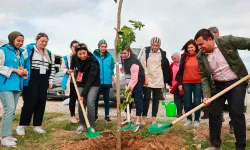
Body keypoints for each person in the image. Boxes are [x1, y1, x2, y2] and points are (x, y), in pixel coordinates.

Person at [195, 28, 250, 150]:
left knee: (236, 112)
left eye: (201, 44)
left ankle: (240, 147)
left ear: (210, 39)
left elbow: (248, 43)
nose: (199, 47)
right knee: (214, 113)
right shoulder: (200, 56)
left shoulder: (227, 41)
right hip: (218, 85)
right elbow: (204, 77)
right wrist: (207, 95)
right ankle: (215, 145)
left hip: (237, 82)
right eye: (197, 45)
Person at [16, 33, 55, 136]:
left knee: (41, 102)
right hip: (31, 79)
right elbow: (20, 62)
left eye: (46, 41)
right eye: (42, 41)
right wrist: (23, 72)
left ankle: (37, 125)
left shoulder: (49, 53)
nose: (44, 43)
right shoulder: (29, 50)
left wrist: (50, 81)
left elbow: (52, 69)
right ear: (37, 40)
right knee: (30, 101)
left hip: (44, 80)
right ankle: (22, 125)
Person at [0, 31, 27, 147]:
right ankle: (5, 137)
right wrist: (15, 70)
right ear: (12, 39)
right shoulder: (3, 50)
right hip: (5, 85)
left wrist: (23, 72)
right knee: (9, 109)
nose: (20, 43)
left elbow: (20, 67)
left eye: (22, 41)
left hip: (17, 85)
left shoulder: (20, 53)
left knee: (12, 111)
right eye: (18, 41)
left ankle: (7, 134)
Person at [207, 26, 234, 134]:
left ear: (217, 33)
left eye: (211, 36)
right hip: (218, 83)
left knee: (235, 108)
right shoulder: (207, 51)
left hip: (234, 82)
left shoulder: (226, 43)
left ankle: (233, 126)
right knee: (214, 111)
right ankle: (215, 142)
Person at [69, 43, 100, 134]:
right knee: (81, 103)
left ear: (87, 51)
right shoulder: (74, 56)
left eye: (84, 53)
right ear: (77, 53)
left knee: (90, 103)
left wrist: (82, 94)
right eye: (80, 54)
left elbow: (91, 79)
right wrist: (71, 69)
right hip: (81, 81)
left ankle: (91, 125)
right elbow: (73, 64)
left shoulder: (93, 61)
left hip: (93, 82)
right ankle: (82, 124)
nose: (82, 56)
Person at [140, 37, 171, 125]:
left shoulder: (162, 53)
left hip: (158, 79)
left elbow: (165, 67)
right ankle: (144, 117)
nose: (155, 47)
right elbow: (143, 66)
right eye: (153, 45)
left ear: (159, 46)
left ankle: (154, 118)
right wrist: (145, 78)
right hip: (148, 79)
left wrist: (165, 79)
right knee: (146, 99)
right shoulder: (146, 52)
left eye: (157, 45)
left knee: (156, 99)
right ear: (151, 44)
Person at [175, 39, 202, 128]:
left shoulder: (200, 55)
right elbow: (180, 71)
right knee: (187, 102)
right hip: (186, 82)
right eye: (188, 47)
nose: (190, 49)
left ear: (195, 47)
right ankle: (189, 119)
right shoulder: (184, 57)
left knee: (198, 101)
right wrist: (180, 83)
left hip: (198, 82)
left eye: (192, 47)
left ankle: (197, 120)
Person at [120, 48, 145, 132]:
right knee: (127, 100)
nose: (123, 55)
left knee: (138, 99)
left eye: (124, 53)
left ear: (129, 52)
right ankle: (128, 118)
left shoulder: (134, 62)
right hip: (130, 80)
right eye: (121, 53)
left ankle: (138, 120)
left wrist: (129, 90)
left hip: (138, 81)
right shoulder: (124, 59)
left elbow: (135, 78)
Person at [93, 39, 115, 122]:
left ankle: (107, 116)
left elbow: (112, 69)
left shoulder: (110, 56)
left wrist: (114, 80)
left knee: (106, 99)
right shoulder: (94, 55)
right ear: (99, 46)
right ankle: (95, 116)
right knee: (96, 99)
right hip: (97, 81)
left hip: (107, 81)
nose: (103, 48)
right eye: (102, 46)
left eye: (105, 47)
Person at [61, 40, 79, 123]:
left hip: (80, 80)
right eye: (73, 46)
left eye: (77, 46)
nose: (75, 48)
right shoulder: (66, 58)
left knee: (81, 98)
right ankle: (72, 116)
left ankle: (82, 115)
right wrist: (68, 71)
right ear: (70, 47)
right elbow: (63, 68)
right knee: (72, 99)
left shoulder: (81, 55)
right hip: (71, 80)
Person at [169, 52, 184, 117]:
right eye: (173, 59)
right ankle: (179, 113)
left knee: (184, 99)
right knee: (177, 100)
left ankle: (186, 113)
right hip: (174, 85)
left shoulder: (182, 64)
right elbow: (170, 75)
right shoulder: (172, 65)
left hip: (182, 84)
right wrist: (170, 84)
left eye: (175, 58)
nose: (174, 60)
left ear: (178, 57)